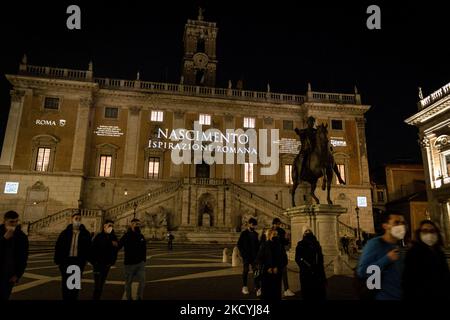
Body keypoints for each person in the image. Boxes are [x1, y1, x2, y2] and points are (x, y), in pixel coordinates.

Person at [357, 211, 406, 300]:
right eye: (396, 222)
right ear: (385, 226)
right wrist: (386, 259)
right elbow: (362, 272)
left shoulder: (400, 246)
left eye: (403, 223)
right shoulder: (374, 244)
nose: (401, 226)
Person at [402, 220, 450, 300]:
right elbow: (408, 280)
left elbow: (445, 275)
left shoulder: (439, 252)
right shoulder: (413, 252)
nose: (429, 234)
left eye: (432, 231)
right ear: (419, 233)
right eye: (425, 231)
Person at [54, 211, 92, 300]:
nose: (78, 221)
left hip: (78, 261)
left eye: (79, 219)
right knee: (66, 284)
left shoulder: (85, 233)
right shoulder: (64, 233)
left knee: (75, 284)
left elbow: (89, 247)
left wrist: (86, 260)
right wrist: (58, 262)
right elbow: (58, 247)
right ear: (72, 219)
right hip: (66, 261)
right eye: (76, 219)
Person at [0, 211, 29, 300]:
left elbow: (23, 257)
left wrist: (18, 274)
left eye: (16, 221)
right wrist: (4, 239)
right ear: (5, 221)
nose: (14, 224)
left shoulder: (22, 236)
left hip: (9, 275)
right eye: (11, 222)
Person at [118, 218, 147, 300]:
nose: (137, 225)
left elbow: (144, 248)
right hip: (129, 263)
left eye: (138, 224)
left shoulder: (141, 235)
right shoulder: (126, 235)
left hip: (140, 263)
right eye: (136, 224)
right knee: (128, 283)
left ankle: (139, 297)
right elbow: (119, 245)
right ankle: (129, 297)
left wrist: (144, 260)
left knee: (142, 282)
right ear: (131, 224)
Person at [295, 226, 327, 300]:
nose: (308, 232)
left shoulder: (316, 243)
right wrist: (304, 267)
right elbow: (297, 258)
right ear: (303, 233)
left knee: (318, 292)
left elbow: (320, 258)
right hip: (306, 272)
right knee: (307, 292)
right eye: (306, 231)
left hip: (317, 271)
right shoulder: (300, 244)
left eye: (309, 230)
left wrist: (320, 268)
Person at [256, 228, 288, 302]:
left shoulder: (279, 245)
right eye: (274, 234)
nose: (275, 236)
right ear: (269, 235)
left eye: (276, 235)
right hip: (266, 272)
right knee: (267, 292)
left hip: (277, 272)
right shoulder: (264, 245)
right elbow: (259, 259)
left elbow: (284, 259)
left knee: (276, 292)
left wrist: (278, 267)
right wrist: (267, 268)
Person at [91, 220, 118, 300]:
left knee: (101, 284)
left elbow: (115, 251)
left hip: (107, 265)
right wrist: (94, 262)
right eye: (109, 225)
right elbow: (92, 249)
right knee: (97, 285)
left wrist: (112, 262)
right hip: (98, 265)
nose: (111, 227)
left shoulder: (114, 237)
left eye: (112, 226)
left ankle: (97, 297)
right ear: (104, 226)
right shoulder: (99, 236)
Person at [237, 217, 261, 296]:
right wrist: (243, 254)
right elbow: (239, 244)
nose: (254, 227)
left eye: (255, 225)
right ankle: (244, 286)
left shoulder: (256, 234)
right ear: (249, 224)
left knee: (256, 272)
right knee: (245, 271)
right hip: (246, 256)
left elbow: (258, 245)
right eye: (253, 225)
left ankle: (257, 287)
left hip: (254, 257)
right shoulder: (244, 233)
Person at [271, 218, 295, 297]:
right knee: (274, 275)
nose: (278, 225)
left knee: (284, 273)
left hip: (281, 255)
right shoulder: (269, 232)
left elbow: (285, 243)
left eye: (279, 224)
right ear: (273, 224)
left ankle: (286, 289)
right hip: (273, 256)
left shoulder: (282, 231)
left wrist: (287, 239)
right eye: (277, 224)